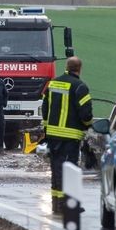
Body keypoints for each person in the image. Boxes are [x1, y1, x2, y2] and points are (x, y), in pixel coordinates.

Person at [41, 56, 94, 215]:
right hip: (70, 136)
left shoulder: (52, 83)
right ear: (79, 69)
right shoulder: (80, 87)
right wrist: (88, 126)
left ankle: (56, 204)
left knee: (56, 169)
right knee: (70, 170)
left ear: (67, 67)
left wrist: (47, 128)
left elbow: (44, 108)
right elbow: (86, 114)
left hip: (52, 135)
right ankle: (69, 204)